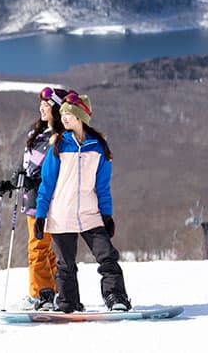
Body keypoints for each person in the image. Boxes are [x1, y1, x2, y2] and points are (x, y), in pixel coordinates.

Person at [34, 92, 132, 313]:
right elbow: (46, 184)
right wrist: (41, 215)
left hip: (90, 214)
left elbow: (103, 187)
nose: (64, 118)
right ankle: (68, 303)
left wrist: (106, 214)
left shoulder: (98, 148)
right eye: (63, 114)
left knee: (107, 257)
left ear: (80, 116)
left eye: (68, 114)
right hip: (61, 214)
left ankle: (115, 297)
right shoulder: (58, 145)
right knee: (65, 265)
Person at [0, 86, 69, 311]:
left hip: (48, 201)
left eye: (47, 106)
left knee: (37, 249)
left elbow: (58, 173)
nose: (42, 109)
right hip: (31, 200)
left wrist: (31, 183)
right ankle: (55, 290)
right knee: (43, 249)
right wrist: (10, 183)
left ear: (57, 109)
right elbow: (25, 167)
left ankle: (42, 294)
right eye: (41, 105)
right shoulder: (37, 133)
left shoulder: (61, 139)